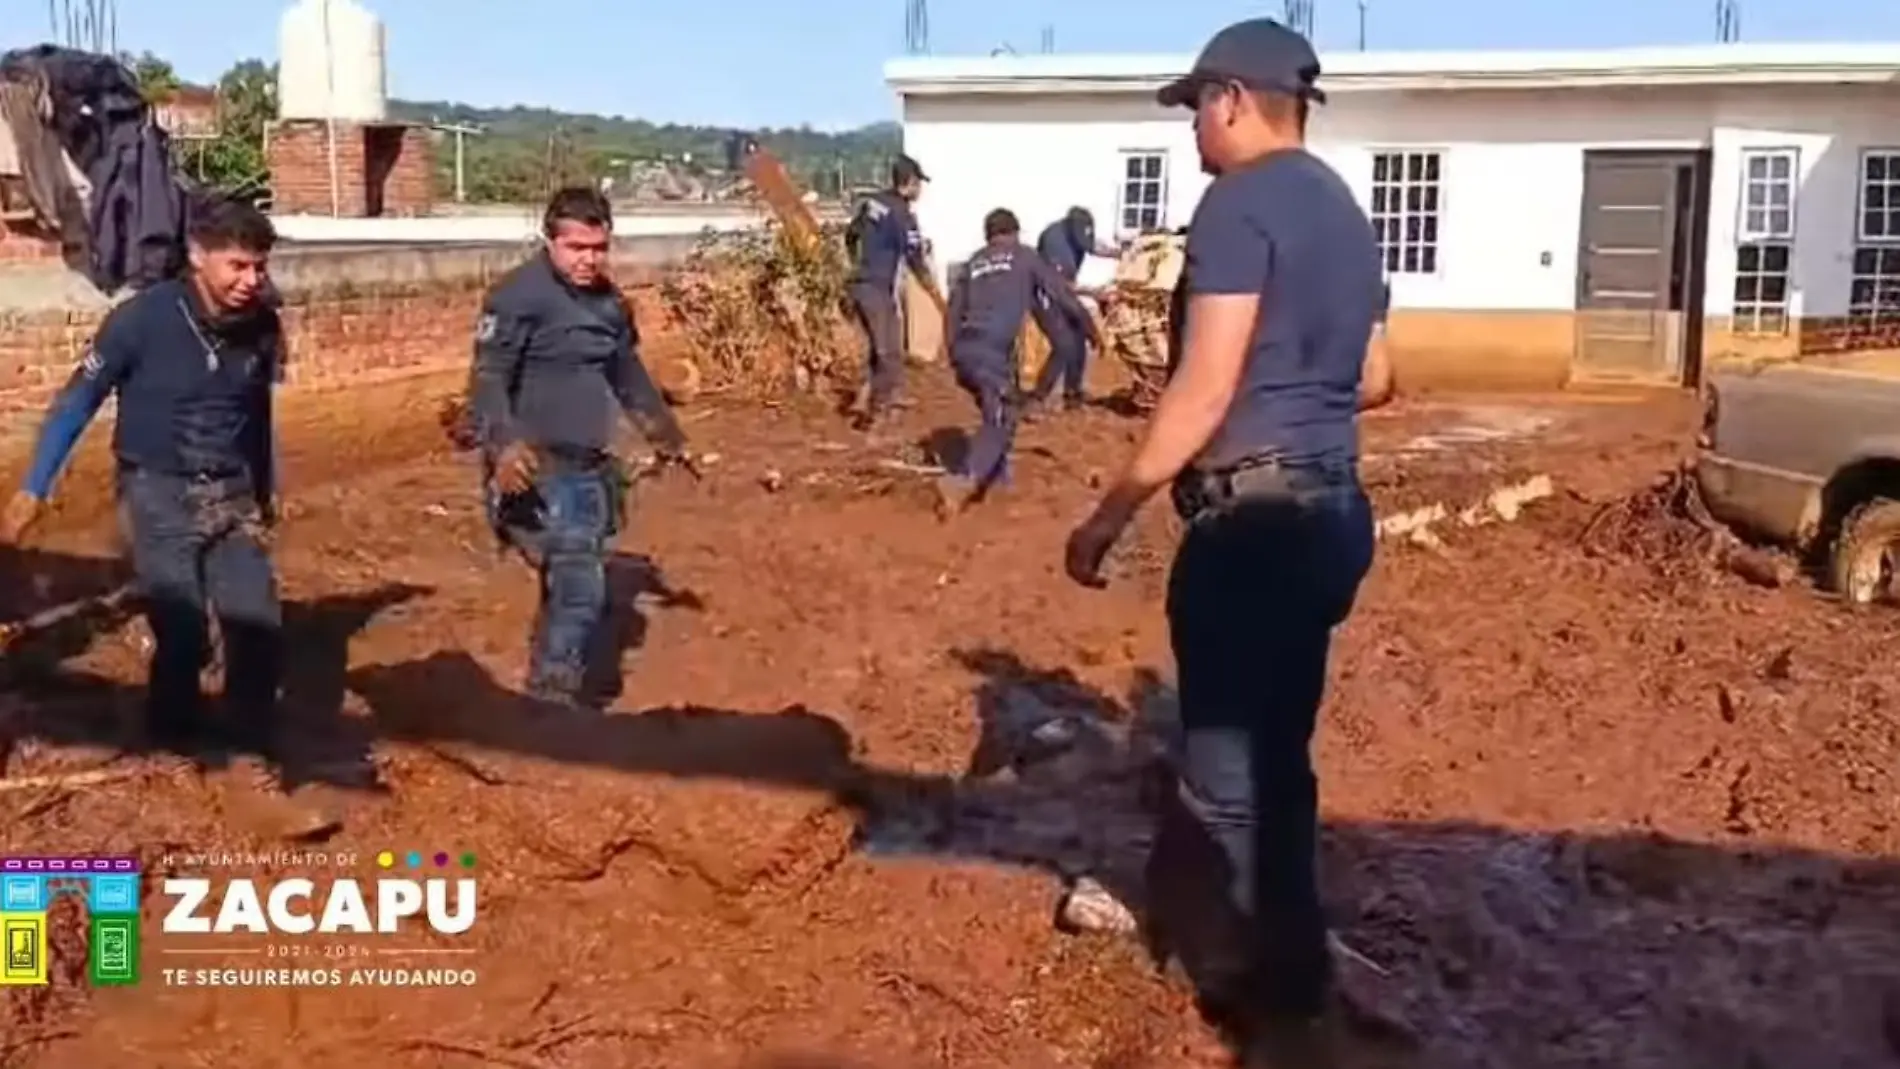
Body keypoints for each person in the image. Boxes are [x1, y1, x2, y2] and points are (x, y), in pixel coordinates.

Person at [1060, 18, 1393, 1064]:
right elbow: (1379, 377)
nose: (1192, 126)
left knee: (1227, 776)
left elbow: (1200, 388)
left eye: (1195, 105)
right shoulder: (1343, 207)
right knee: (1273, 759)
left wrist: (1108, 511)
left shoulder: (1238, 202)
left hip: (1253, 524)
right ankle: (1259, 954)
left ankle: (1287, 1007)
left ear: (1235, 100)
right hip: (1332, 511)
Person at [0, 197, 320, 814]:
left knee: (257, 623)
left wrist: (265, 487)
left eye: (260, 266)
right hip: (156, 493)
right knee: (182, 632)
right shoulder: (139, 322)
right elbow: (75, 403)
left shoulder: (261, 324)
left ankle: (245, 754)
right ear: (198, 256)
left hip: (231, 491)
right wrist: (33, 488)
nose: (251, 281)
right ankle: (171, 731)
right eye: (237, 266)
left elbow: (255, 411)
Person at [467, 186, 692, 707]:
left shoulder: (609, 306)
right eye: (576, 248)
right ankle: (552, 699)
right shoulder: (517, 297)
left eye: (598, 248)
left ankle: (551, 675)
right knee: (579, 581)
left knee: (572, 572)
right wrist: (503, 445)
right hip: (532, 468)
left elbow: (627, 373)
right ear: (550, 241)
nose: (588, 259)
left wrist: (664, 434)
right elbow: (488, 378)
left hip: (590, 469)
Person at [938, 208, 1100, 518]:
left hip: (966, 351)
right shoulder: (1025, 257)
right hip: (991, 350)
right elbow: (1062, 294)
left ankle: (997, 480)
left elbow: (953, 311)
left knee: (1003, 409)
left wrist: (954, 355)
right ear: (1014, 233)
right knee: (999, 418)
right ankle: (963, 481)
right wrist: (1091, 329)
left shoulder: (973, 263)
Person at [843, 154, 944, 431]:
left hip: (860, 284)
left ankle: (865, 398)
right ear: (909, 183)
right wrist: (934, 294)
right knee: (889, 351)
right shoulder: (903, 215)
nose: (921, 189)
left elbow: (850, 234)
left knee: (882, 346)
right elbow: (915, 258)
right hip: (876, 288)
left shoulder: (873, 203)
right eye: (919, 183)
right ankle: (877, 413)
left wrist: (855, 262)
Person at [1028, 206, 1121, 410]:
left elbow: (1092, 246)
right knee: (1064, 345)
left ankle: (1073, 393)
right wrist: (1095, 293)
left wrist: (1121, 253)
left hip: (1063, 292)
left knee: (1080, 337)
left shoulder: (1078, 232)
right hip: (1044, 294)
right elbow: (1062, 285)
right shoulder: (1054, 241)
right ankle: (1038, 397)